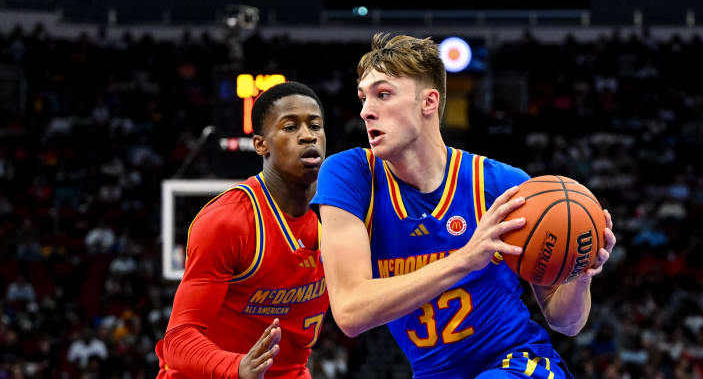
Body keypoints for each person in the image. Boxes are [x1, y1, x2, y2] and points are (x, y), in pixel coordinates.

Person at [311, 34, 617, 378]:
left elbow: (566, 323)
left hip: (518, 363)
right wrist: (465, 259)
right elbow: (351, 312)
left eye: (383, 94)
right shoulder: (350, 175)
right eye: (363, 98)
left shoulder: (502, 186)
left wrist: (579, 276)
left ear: (429, 102)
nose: (367, 110)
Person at [156, 81, 329, 379]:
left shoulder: (340, 213)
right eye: (290, 127)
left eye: (315, 125)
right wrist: (236, 367)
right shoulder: (229, 221)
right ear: (261, 144)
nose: (307, 135)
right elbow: (178, 341)